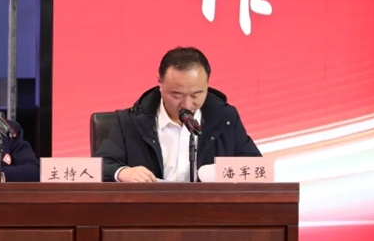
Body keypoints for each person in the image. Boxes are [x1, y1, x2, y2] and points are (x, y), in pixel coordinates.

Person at [94, 46, 261, 182]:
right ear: (159, 82)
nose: (187, 104)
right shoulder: (129, 122)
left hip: (209, 211)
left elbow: (256, 168)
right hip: (148, 210)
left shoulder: (225, 118)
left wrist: (220, 174)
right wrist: (123, 173)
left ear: (207, 84)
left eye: (196, 94)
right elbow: (99, 167)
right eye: (176, 95)